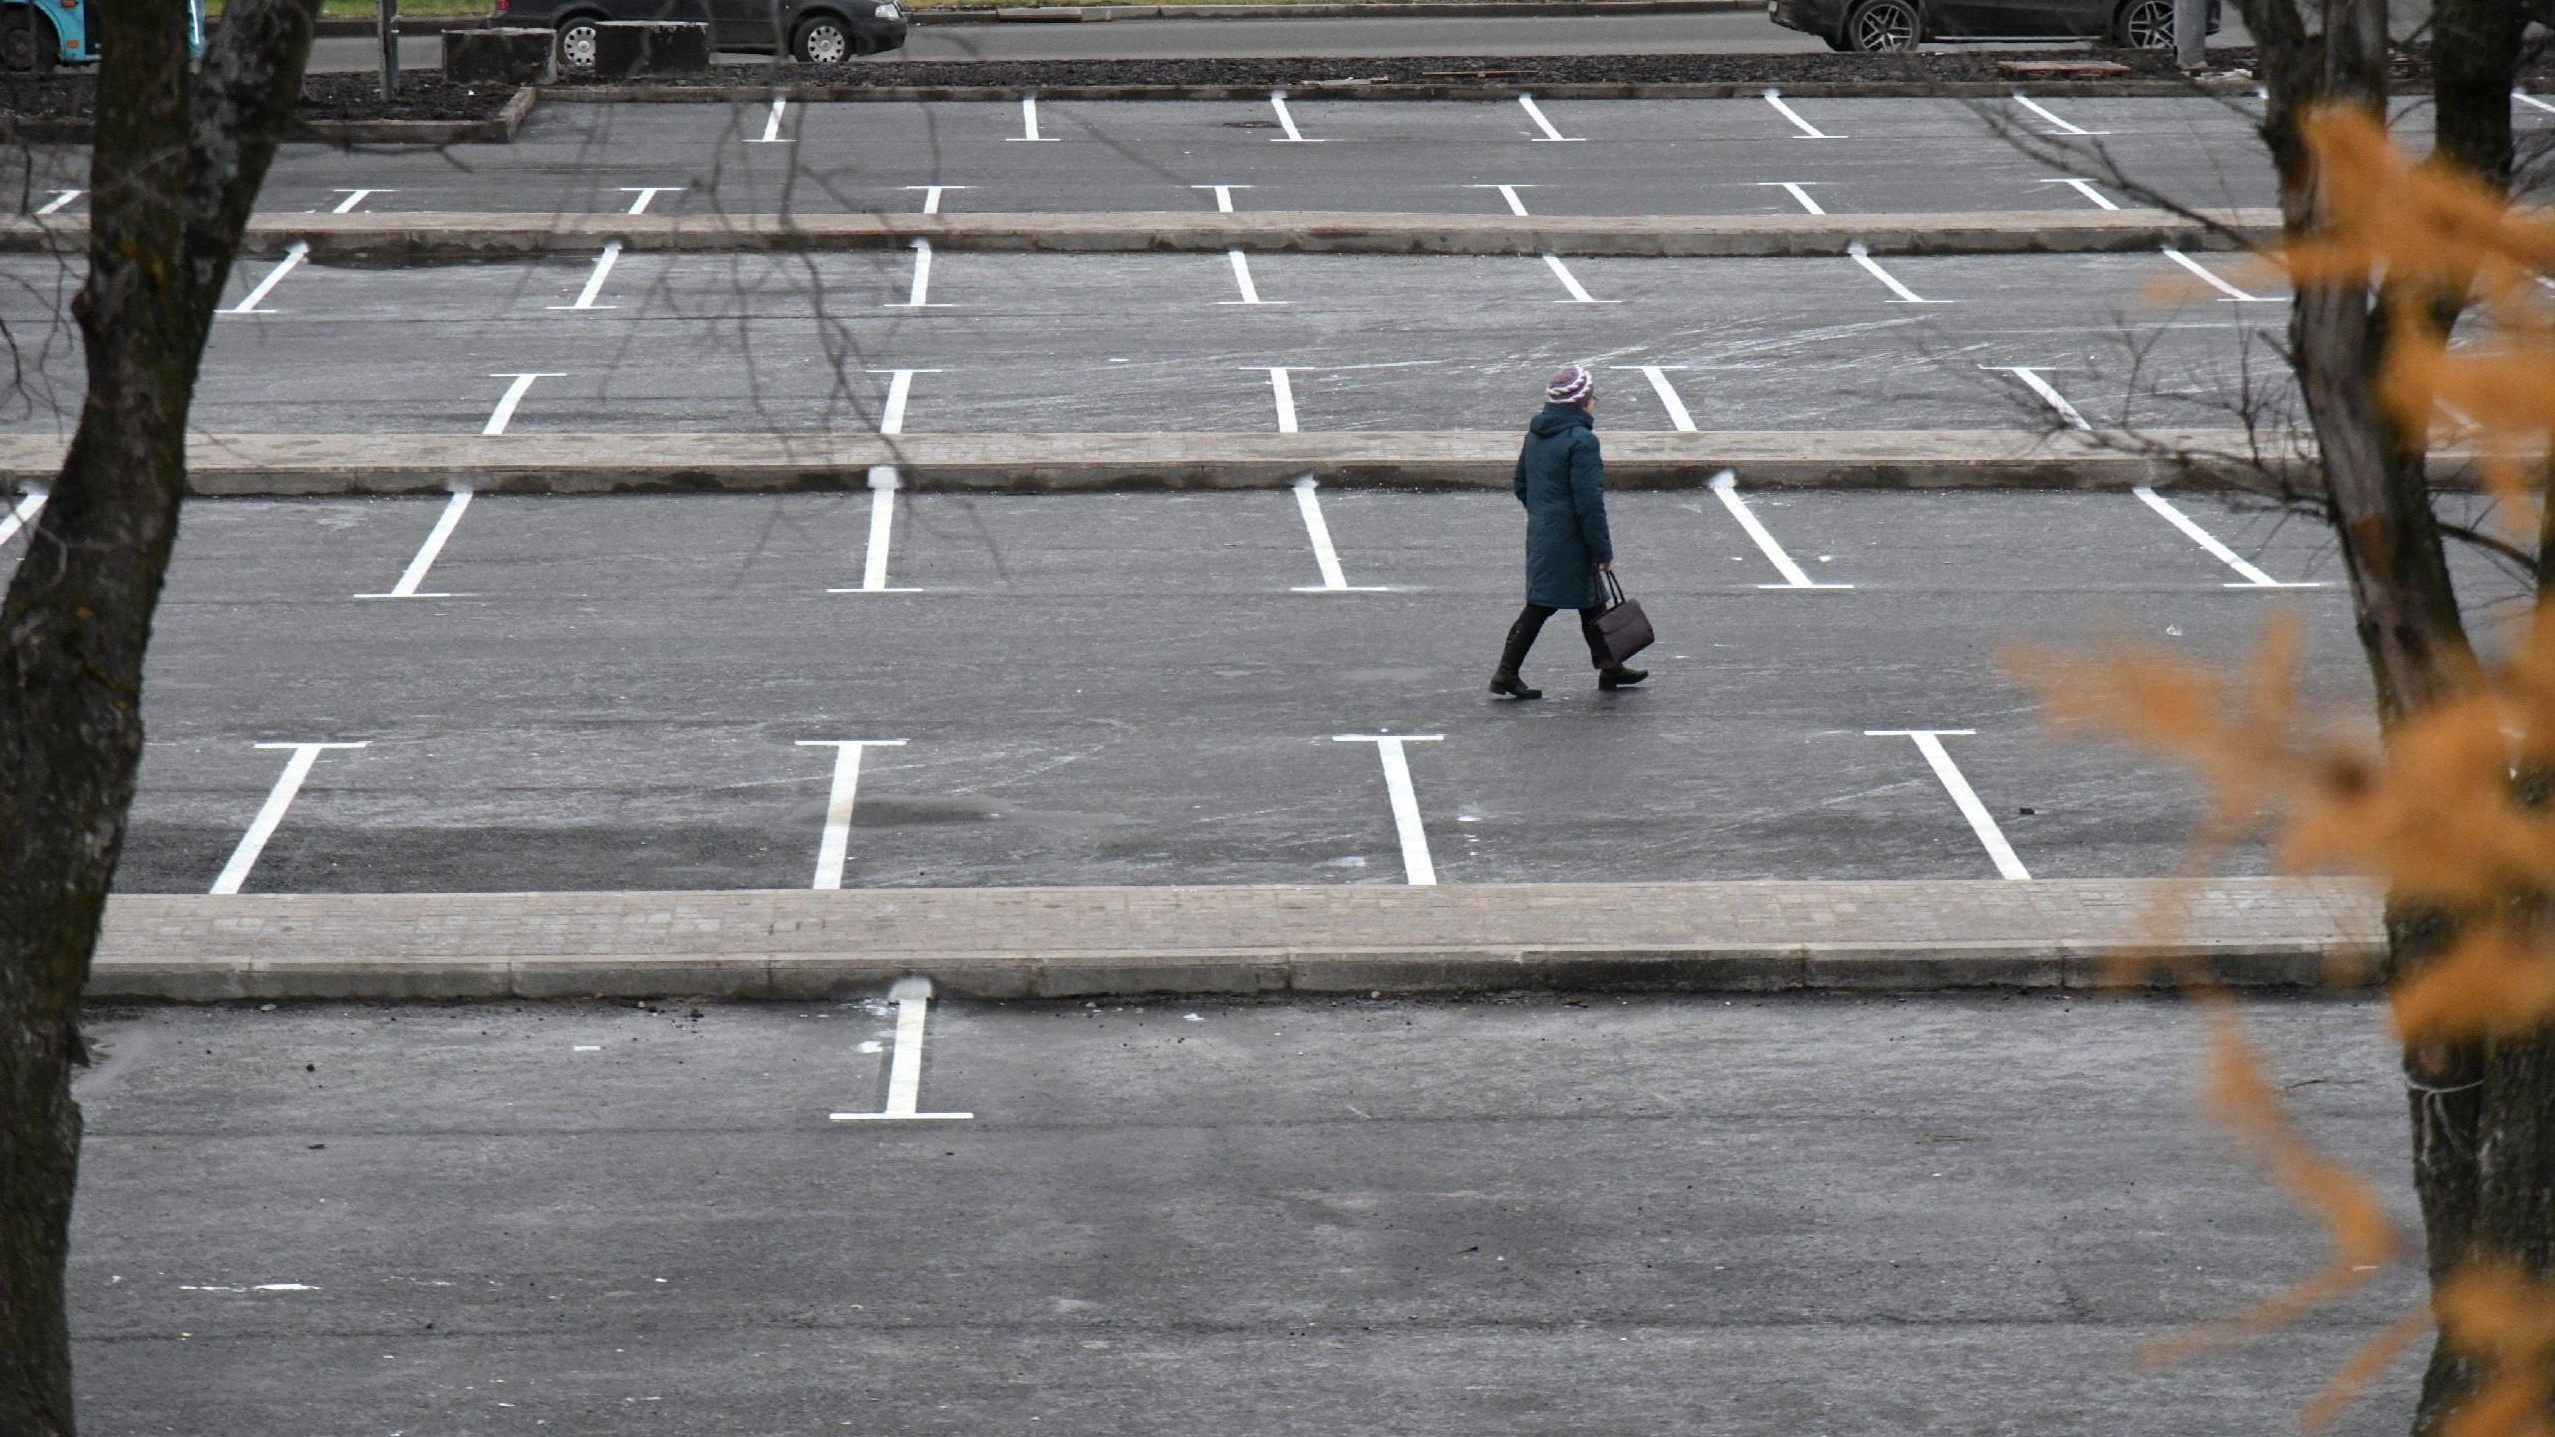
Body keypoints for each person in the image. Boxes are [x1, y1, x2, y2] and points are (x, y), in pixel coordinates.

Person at [1490, 363, 1647, 700]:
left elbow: (1521, 484)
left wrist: (1545, 516)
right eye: (1592, 396)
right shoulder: (1582, 441)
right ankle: (1505, 672)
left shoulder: (1536, 434)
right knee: (1541, 606)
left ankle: (1611, 667)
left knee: (1591, 602)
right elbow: (1589, 503)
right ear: (1582, 401)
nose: (1595, 402)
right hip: (1571, 539)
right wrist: (1602, 551)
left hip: (1545, 534)